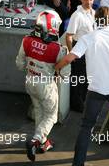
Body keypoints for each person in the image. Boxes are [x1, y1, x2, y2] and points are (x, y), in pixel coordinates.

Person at [55, 6, 109, 166]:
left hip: (96, 90)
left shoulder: (88, 38)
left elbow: (69, 58)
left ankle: (77, 163)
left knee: (86, 127)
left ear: (95, 20)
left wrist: (56, 68)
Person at [16, 10, 69, 162]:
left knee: (39, 111)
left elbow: (19, 65)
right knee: (51, 116)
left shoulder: (26, 40)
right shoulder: (58, 48)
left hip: (30, 81)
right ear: (51, 26)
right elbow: (65, 74)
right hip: (45, 85)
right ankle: (35, 140)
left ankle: (42, 143)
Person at [66, 0, 95, 112]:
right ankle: (76, 105)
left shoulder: (93, 13)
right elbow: (69, 36)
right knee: (78, 79)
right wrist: (73, 53)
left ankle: (83, 101)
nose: (89, 2)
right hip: (79, 48)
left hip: (90, 50)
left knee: (87, 78)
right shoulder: (76, 15)